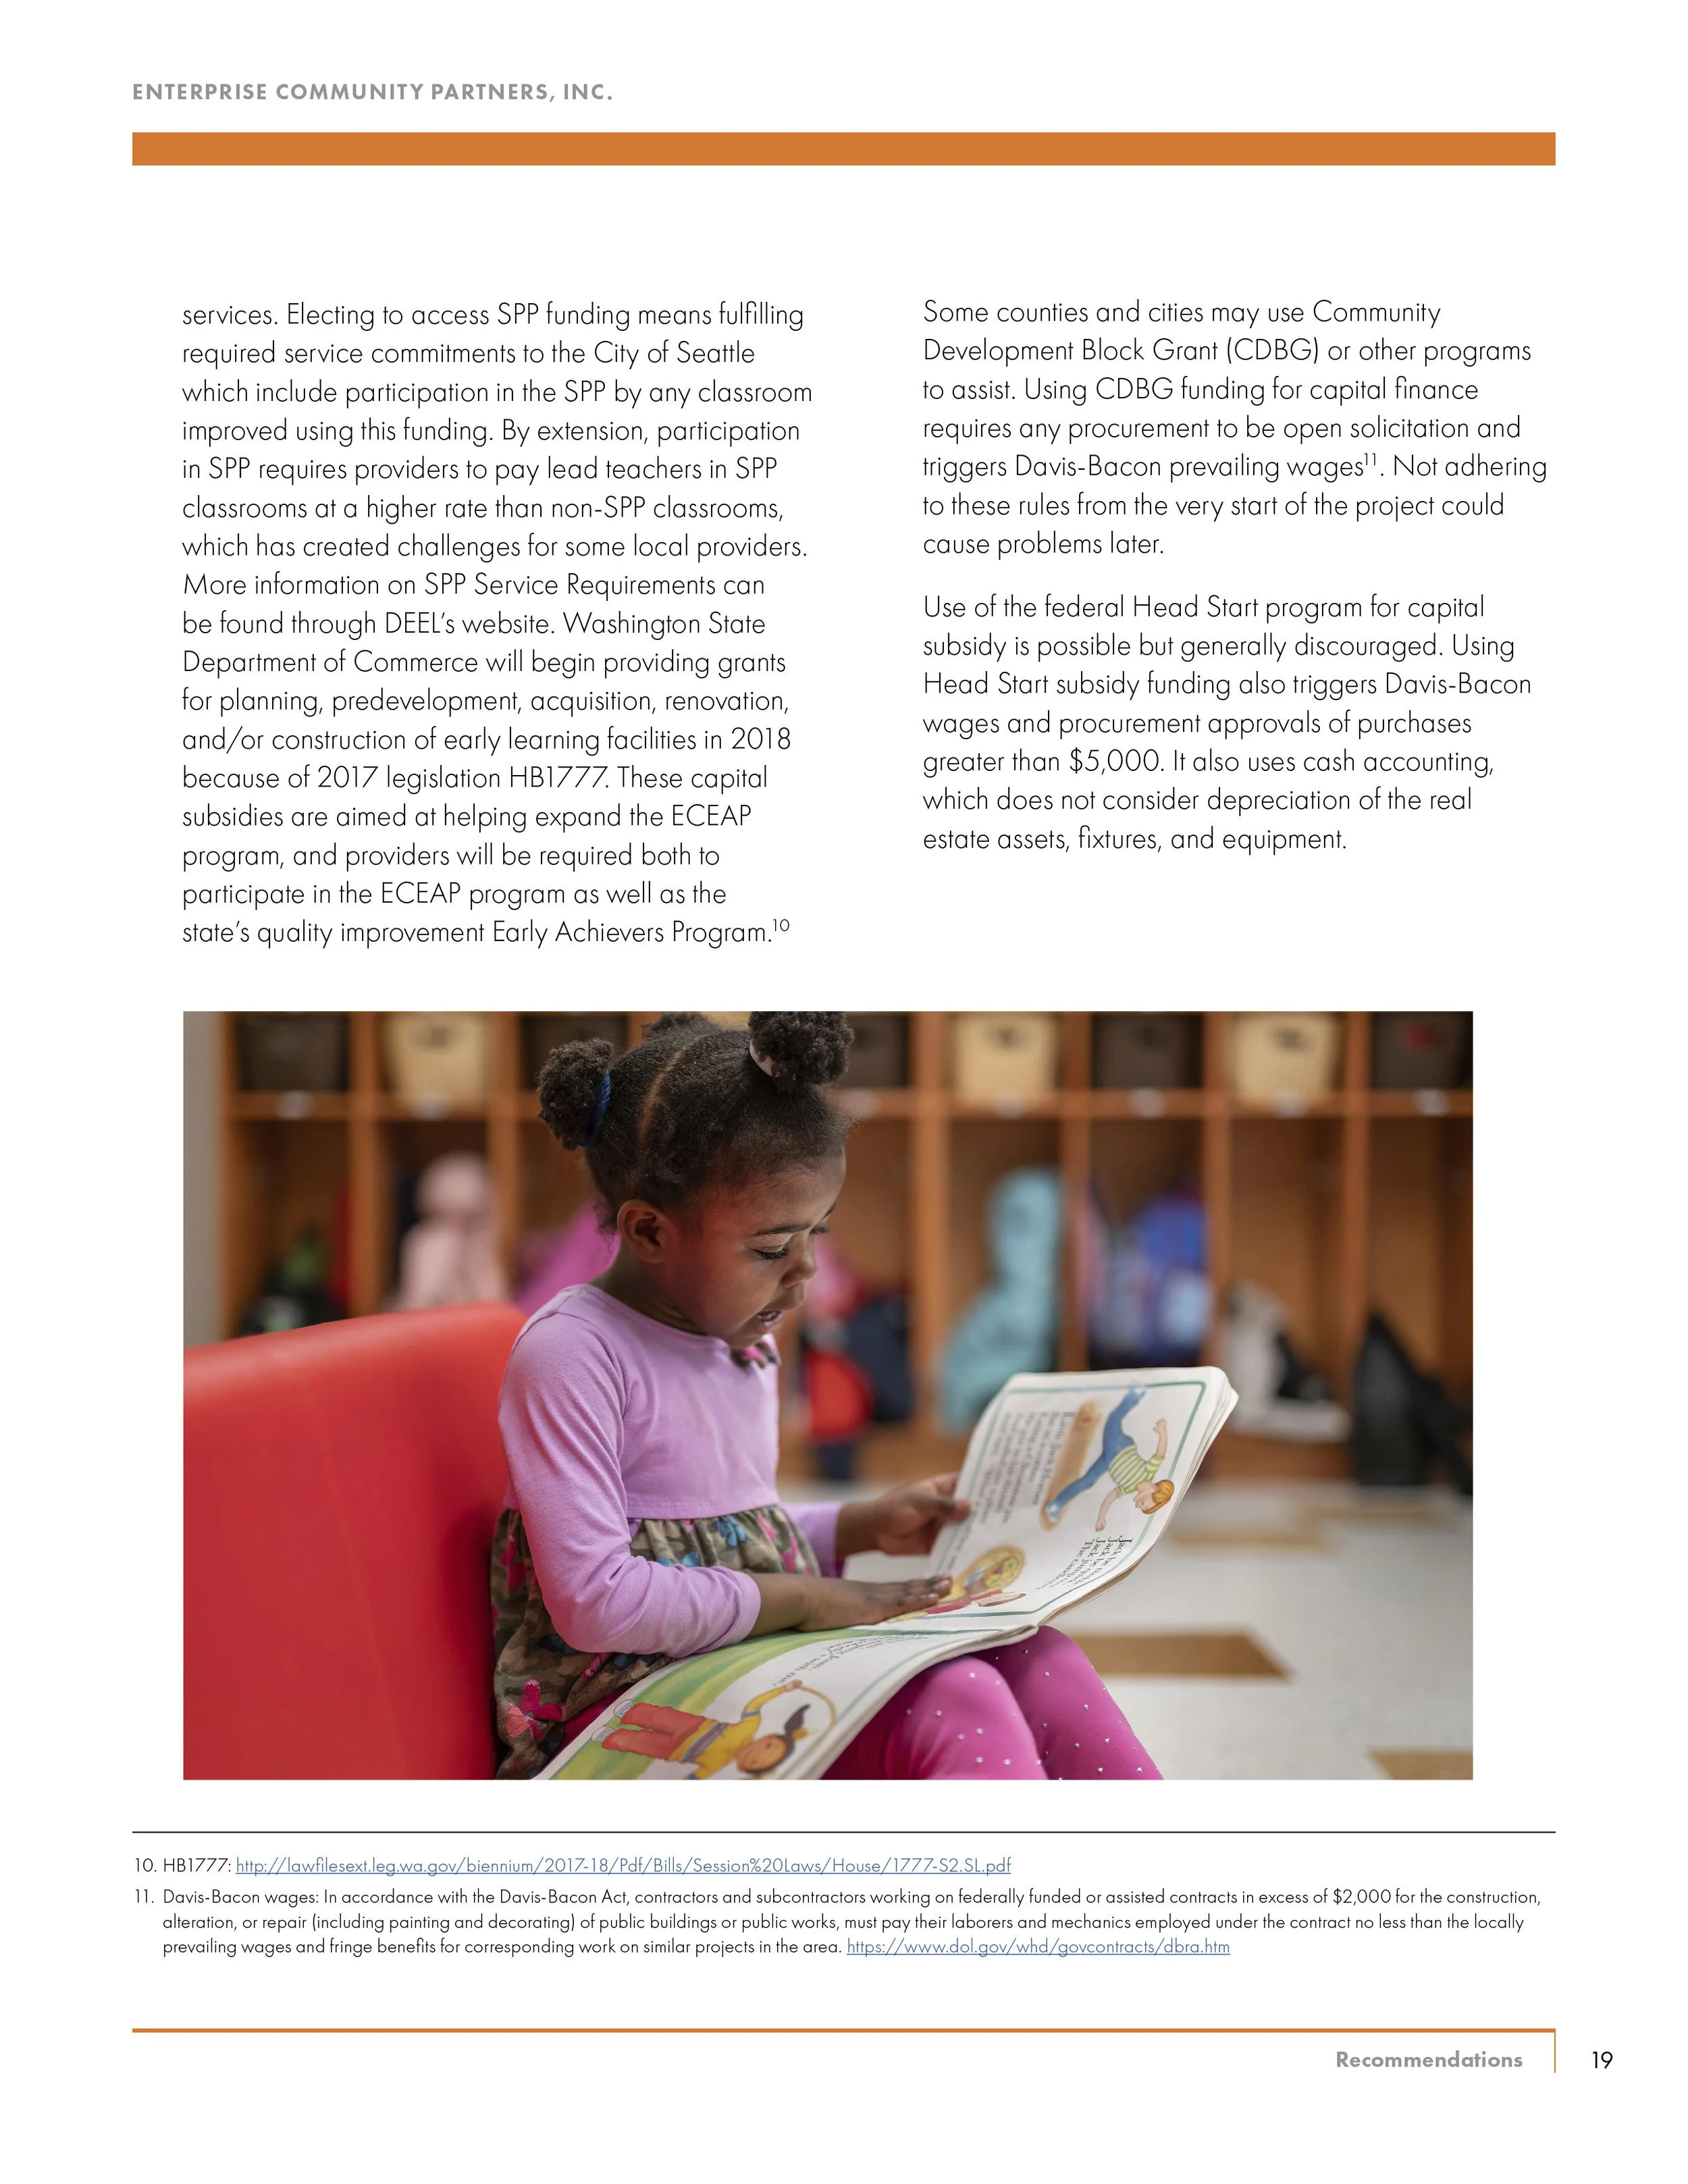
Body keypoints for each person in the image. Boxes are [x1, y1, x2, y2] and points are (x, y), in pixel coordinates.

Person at [492, 1011, 1160, 1781]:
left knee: (1035, 1653)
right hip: (608, 1708)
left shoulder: (739, 1333)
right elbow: (598, 1602)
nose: (805, 1270)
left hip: (729, 1660)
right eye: (774, 1247)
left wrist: (858, 1525)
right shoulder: (572, 1352)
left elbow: (716, 1532)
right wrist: (810, 1599)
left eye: (819, 1233)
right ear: (647, 1232)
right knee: (956, 1696)